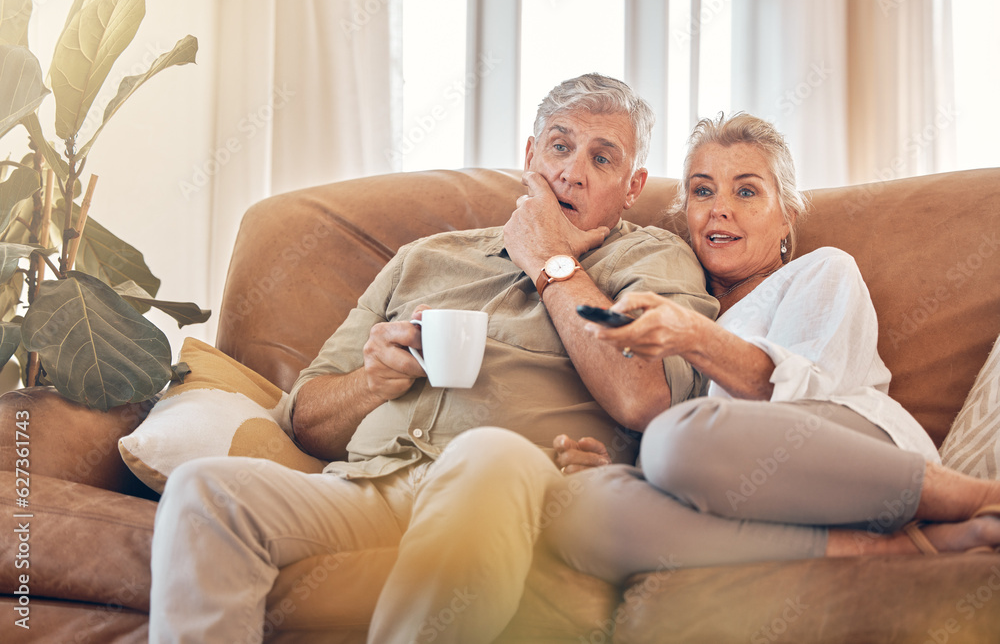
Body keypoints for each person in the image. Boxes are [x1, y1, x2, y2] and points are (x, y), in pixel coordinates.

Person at [147, 74, 719, 643]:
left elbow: (642, 395)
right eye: (560, 146)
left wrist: (548, 259)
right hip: (372, 483)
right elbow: (304, 420)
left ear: (632, 185)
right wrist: (371, 382)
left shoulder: (653, 257)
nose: (571, 173)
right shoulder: (425, 257)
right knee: (204, 492)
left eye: (602, 159)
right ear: (530, 156)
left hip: (513, 484)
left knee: (489, 451)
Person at [543, 113, 1000, 586]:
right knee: (577, 509)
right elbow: (701, 458)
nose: (719, 208)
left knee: (675, 440)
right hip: (745, 490)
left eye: (746, 191)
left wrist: (696, 339)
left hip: (853, 457)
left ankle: (972, 496)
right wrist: (613, 462)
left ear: (787, 216)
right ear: (686, 216)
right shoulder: (681, 312)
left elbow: (804, 398)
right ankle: (886, 550)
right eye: (703, 191)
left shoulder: (822, 271)